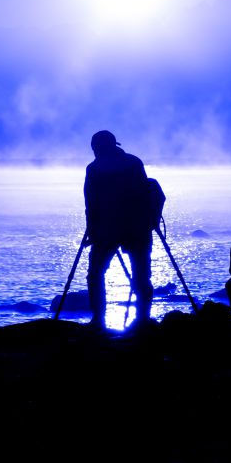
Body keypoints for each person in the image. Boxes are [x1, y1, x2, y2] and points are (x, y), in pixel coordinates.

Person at [84, 130, 153, 329]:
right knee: (141, 274)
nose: (94, 151)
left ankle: (98, 320)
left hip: (107, 230)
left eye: (95, 147)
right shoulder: (133, 163)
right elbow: (145, 195)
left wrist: (91, 230)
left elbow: (91, 203)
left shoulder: (94, 169)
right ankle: (142, 318)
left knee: (95, 274)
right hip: (137, 229)